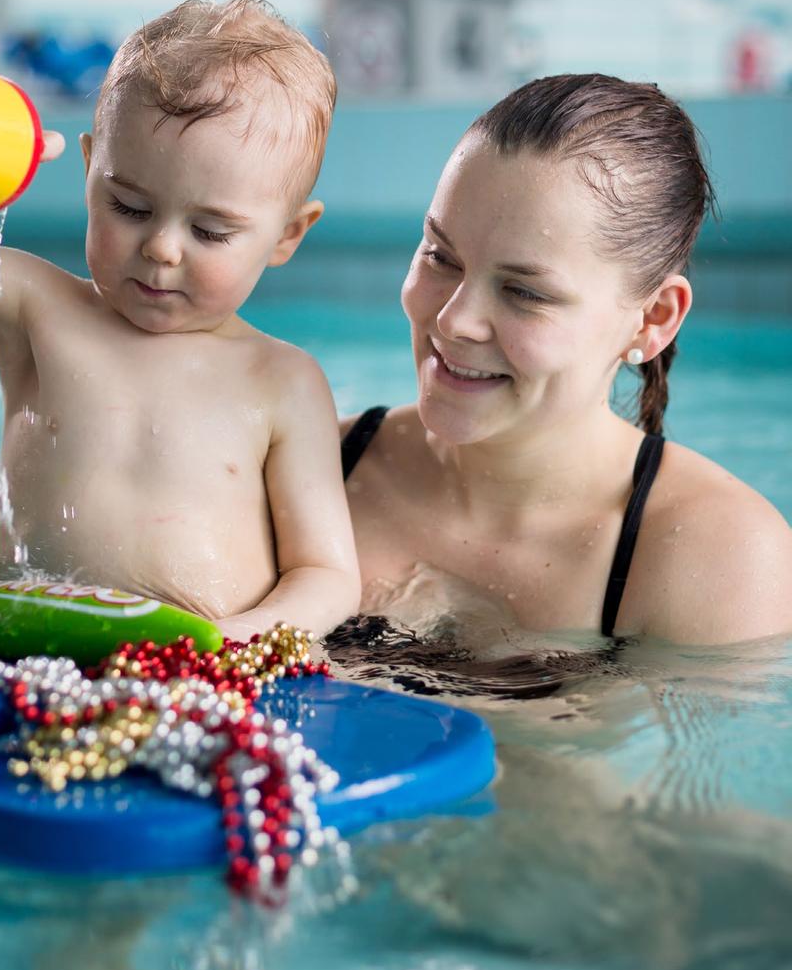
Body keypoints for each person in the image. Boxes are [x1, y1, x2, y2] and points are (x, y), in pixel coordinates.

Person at [0, 0, 360, 641]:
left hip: (206, 670)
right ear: (90, 169)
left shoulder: (283, 381)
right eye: (128, 207)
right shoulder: (38, 303)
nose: (162, 248)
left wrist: (233, 643)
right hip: (20, 643)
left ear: (288, 235)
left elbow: (327, 575)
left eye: (209, 230)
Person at [338, 74, 791, 647]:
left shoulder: (717, 558)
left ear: (653, 321)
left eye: (525, 293)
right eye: (440, 256)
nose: (453, 320)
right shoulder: (315, 470)